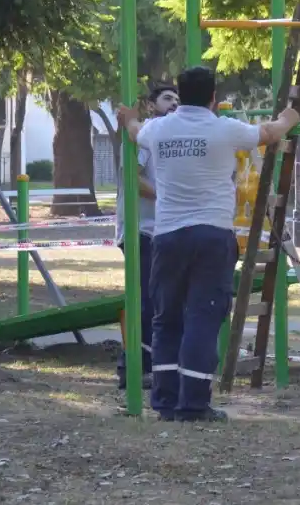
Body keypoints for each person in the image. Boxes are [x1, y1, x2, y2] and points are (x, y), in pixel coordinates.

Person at [116, 66, 300, 422]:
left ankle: (166, 401)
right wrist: (290, 117)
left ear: (180, 96)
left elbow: (135, 132)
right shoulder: (224, 128)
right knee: (203, 317)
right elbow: (269, 132)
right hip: (212, 235)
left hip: (167, 236)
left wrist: (128, 119)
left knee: (165, 318)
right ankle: (194, 403)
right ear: (214, 97)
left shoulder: (159, 128)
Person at [115, 82, 178, 391]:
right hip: (140, 228)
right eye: (168, 98)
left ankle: (149, 365)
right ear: (153, 106)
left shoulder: (171, 137)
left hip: (163, 229)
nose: (174, 103)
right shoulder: (147, 134)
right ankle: (130, 367)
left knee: (158, 301)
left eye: (178, 98)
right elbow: (133, 178)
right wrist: (167, 196)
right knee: (144, 300)